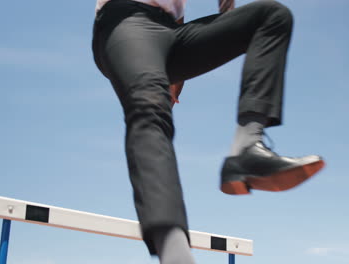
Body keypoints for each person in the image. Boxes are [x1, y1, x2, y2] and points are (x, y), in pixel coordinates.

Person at [91, 0, 325, 263]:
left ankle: (247, 147)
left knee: (271, 16)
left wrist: (227, 23)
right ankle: (175, 253)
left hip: (172, 33)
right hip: (126, 21)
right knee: (150, 110)